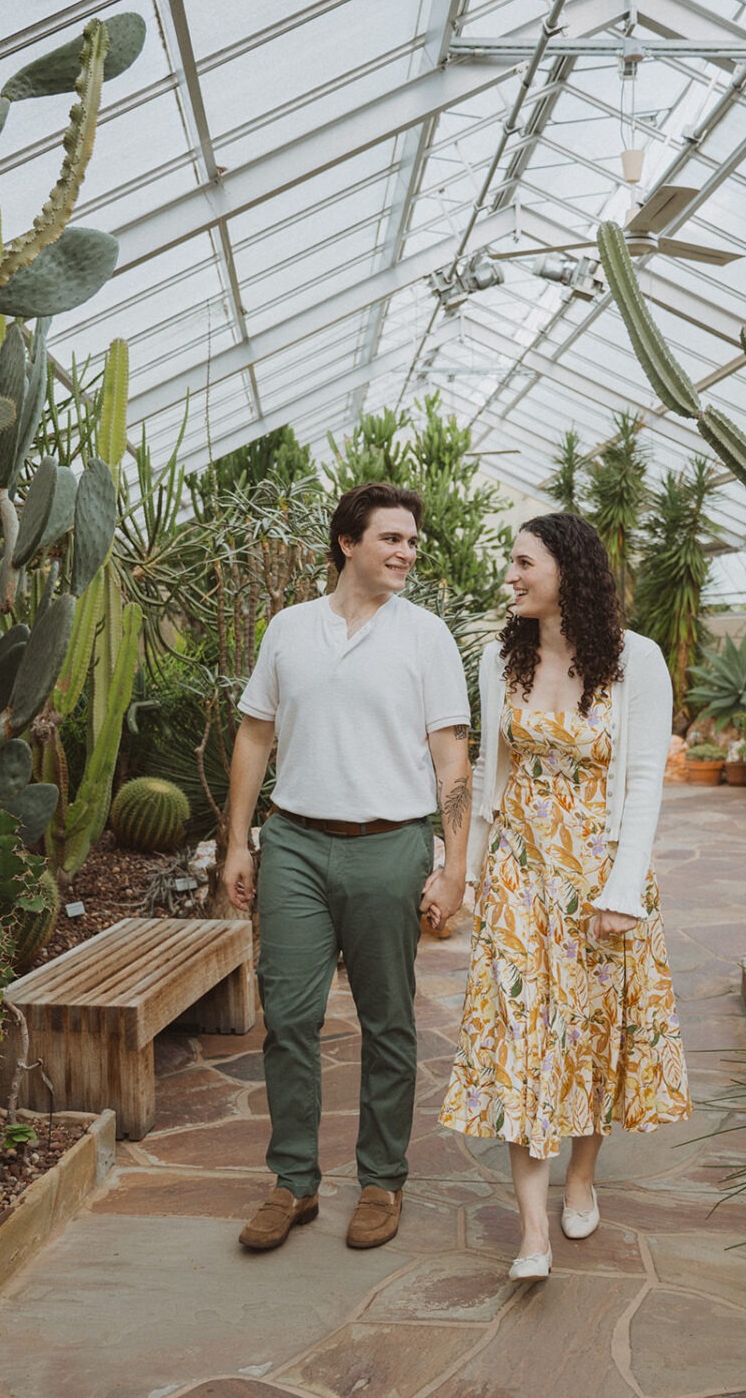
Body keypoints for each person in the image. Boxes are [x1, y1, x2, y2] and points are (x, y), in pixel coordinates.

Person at [439, 512, 690, 1281]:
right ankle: (532, 1236)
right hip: (520, 871)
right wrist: (471, 876)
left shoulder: (635, 660)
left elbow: (643, 779)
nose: (510, 576)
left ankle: (582, 1174)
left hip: (601, 875)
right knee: (521, 1031)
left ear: (567, 571)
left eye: (523, 563)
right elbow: (490, 777)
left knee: (591, 1032)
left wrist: (623, 891)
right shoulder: (498, 659)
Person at [224, 481, 471, 1255]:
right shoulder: (289, 629)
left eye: (411, 543)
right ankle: (293, 1183)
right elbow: (255, 736)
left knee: (387, 1021)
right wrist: (238, 841)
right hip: (294, 840)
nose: (405, 553)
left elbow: (451, 758)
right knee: (289, 1017)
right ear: (347, 543)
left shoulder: (425, 636)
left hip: (389, 844)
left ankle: (380, 1180)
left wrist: (454, 866)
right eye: (391, 539)